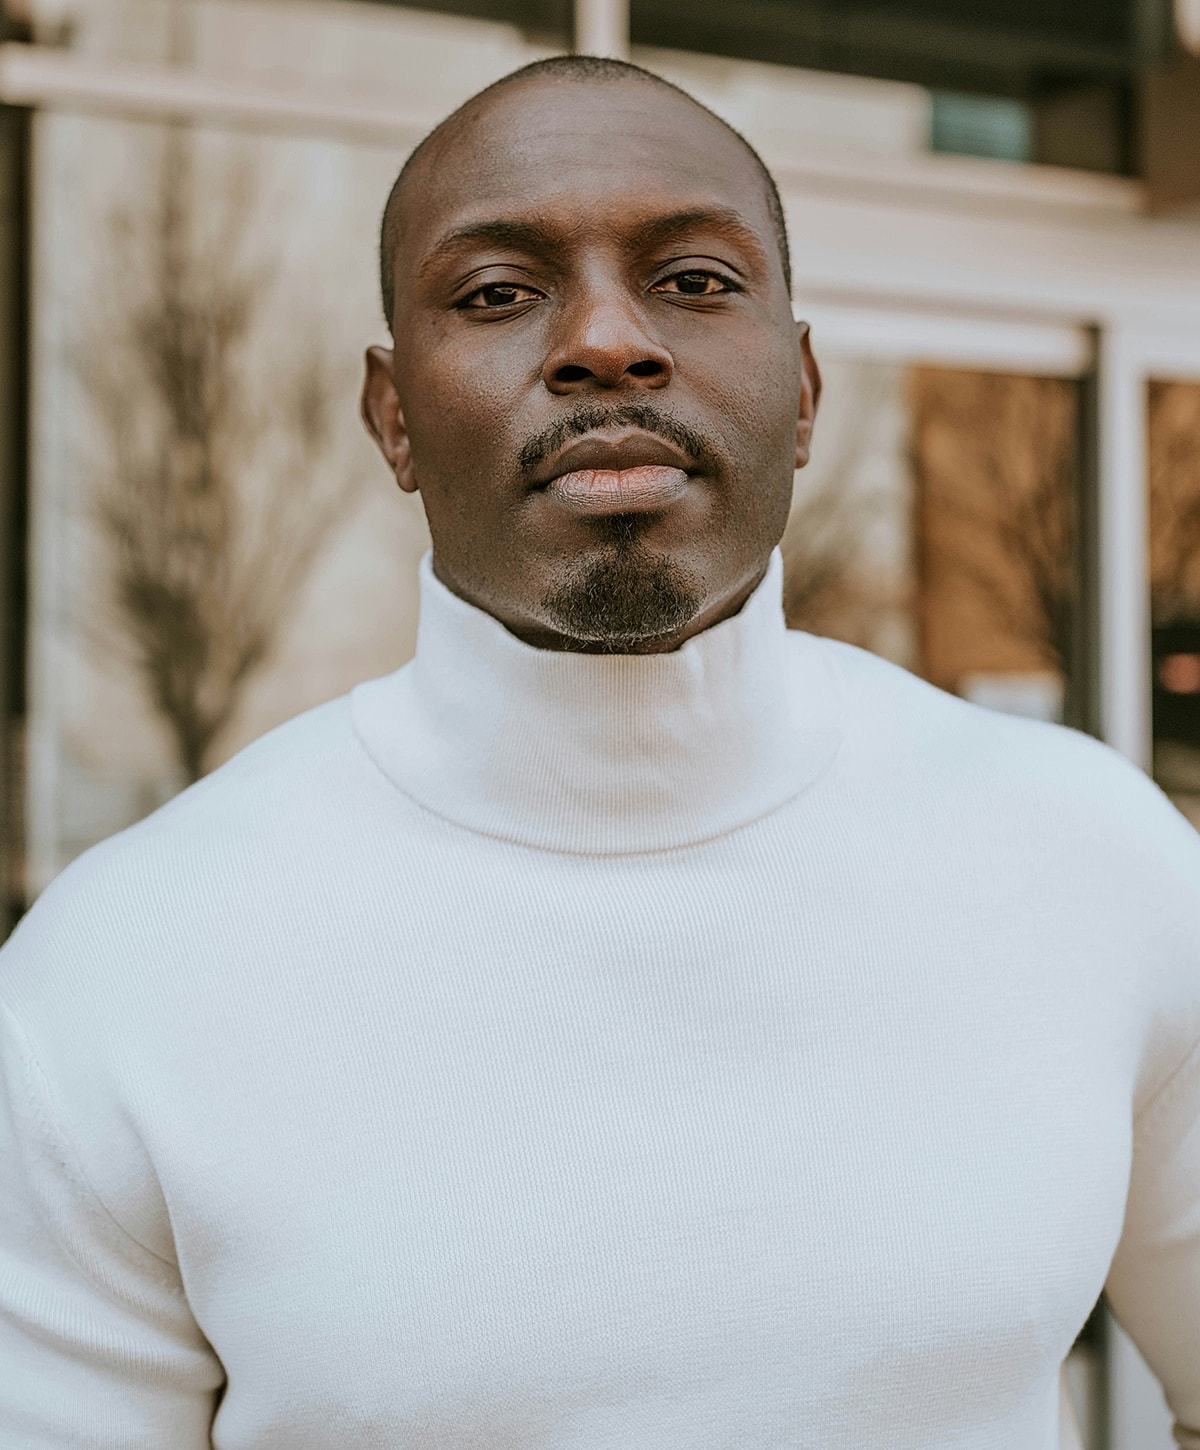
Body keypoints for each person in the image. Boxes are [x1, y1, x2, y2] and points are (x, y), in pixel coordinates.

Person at [0, 53, 1197, 1450]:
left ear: (803, 392)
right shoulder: (119, 969)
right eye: (500, 293)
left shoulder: (1096, 860)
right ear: (392, 416)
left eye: (693, 280)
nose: (608, 343)